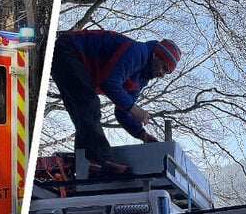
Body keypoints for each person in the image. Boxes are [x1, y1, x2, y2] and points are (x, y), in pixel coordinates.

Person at [51, 30, 181, 175]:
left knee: (84, 117)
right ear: (156, 55)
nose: (163, 75)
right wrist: (134, 108)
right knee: (89, 104)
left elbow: (121, 111)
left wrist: (142, 135)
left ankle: (87, 167)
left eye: (167, 72)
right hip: (69, 49)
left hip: (76, 64)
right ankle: (102, 162)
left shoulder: (141, 79)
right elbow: (109, 82)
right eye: (164, 67)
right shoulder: (138, 52)